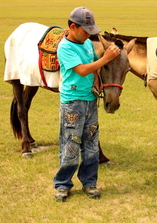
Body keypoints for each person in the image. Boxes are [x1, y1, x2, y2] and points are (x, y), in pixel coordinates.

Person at [53, 6, 120, 201]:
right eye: (86, 30)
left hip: (90, 101)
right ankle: (63, 184)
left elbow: (93, 68)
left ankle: (90, 183)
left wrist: (98, 81)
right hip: (72, 103)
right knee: (70, 145)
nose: (89, 34)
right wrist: (105, 58)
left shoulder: (87, 44)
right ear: (73, 27)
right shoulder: (65, 47)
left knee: (91, 145)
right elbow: (82, 70)